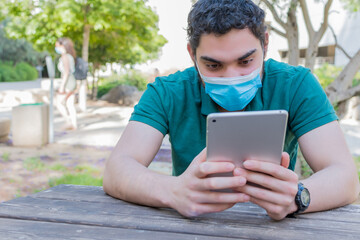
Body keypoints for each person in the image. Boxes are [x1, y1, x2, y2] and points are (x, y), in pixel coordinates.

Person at [103, 0, 359, 220]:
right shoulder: (166, 92)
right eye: (213, 66)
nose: (232, 77)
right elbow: (118, 169)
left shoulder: (296, 84)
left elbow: (345, 178)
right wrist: (174, 191)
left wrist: (297, 198)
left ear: (265, 43)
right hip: (192, 226)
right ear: (192, 54)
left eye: (246, 61)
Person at [55, 37, 77, 130]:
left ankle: (68, 122)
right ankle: (74, 124)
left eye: (57, 46)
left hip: (68, 82)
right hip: (72, 80)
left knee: (58, 102)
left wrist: (62, 87)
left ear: (62, 46)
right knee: (70, 104)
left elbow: (66, 72)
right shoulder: (70, 56)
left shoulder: (65, 57)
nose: (56, 48)